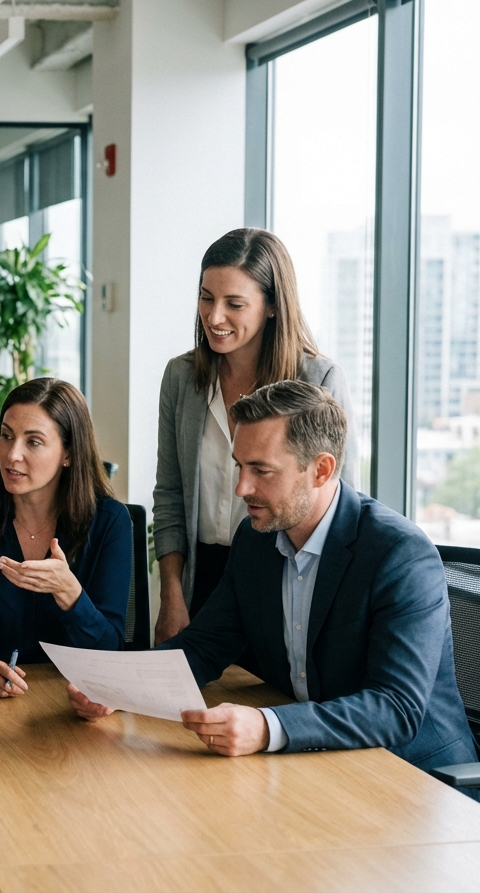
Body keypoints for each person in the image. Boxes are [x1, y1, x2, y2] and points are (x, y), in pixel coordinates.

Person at [68, 381, 480, 794]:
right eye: (239, 466)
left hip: (417, 785)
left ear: (321, 469)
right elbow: (204, 647)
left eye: (261, 471)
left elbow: (395, 708)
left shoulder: (400, 555)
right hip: (320, 770)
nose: (242, 488)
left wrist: (268, 726)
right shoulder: (256, 539)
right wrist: (119, 688)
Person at [153, 228, 358, 645]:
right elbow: (170, 493)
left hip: (284, 573)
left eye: (234, 304)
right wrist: (170, 593)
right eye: (207, 297)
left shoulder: (318, 379)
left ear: (270, 307)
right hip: (203, 578)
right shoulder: (181, 377)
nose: (213, 317)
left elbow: (340, 499)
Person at [0, 378, 132, 700]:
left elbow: (109, 652)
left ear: (68, 453)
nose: (12, 455)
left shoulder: (110, 522)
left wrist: (70, 593)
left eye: (33, 442)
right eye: (6, 436)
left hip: (71, 706)